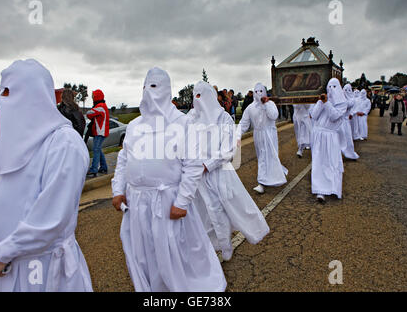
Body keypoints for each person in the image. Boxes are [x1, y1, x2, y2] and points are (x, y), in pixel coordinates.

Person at [0, 59, 93, 292]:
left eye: (13, 92)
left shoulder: (64, 144)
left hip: (43, 271)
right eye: (4, 92)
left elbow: (53, 215)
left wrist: (4, 253)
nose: (6, 99)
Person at [111, 68, 227, 292]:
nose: (148, 92)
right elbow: (123, 161)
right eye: (145, 86)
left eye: (154, 86)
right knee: (144, 253)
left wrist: (182, 201)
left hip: (168, 201)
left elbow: (192, 166)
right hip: (137, 203)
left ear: (166, 90)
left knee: (175, 254)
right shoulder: (135, 127)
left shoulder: (182, 124)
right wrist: (118, 190)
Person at [190, 81, 270, 261]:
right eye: (195, 95)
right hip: (196, 175)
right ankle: (208, 250)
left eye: (201, 95)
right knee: (201, 213)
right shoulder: (191, 118)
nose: (197, 100)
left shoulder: (223, 118)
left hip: (218, 172)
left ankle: (224, 244)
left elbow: (229, 149)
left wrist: (208, 164)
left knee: (220, 210)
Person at [237, 83, 288, 194]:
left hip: (270, 134)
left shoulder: (271, 104)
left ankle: (265, 180)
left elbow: (274, 115)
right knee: (262, 157)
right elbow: (243, 123)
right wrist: (237, 135)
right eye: (256, 91)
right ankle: (262, 182)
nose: (258, 94)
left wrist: (266, 104)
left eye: (261, 91)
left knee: (271, 156)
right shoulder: (250, 108)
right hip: (258, 135)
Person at [310, 79, 347, 203]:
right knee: (318, 163)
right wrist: (321, 102)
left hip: (330, 137)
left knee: (331, 162)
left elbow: (334, 116)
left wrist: (327, 103)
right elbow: (314, 115)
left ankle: (332, 188)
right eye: (329, 86)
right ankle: (320, 190)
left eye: (334, 87)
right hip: (318, 135)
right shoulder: (322, 101)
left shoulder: (342, 104)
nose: (331, 89)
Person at [86, 89, 109, 177]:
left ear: (96, 97)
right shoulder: (101, 105)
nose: (92, 98)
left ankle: (94, 169)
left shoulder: (100, 106)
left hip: (100, 132)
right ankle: (103, 167)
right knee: (98, 149)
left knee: (96, 150)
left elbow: (89, 113)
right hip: (100, 132)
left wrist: (90, 111)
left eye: (93, 96)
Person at [340, 85, 360, 160]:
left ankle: (350, 153)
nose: (346, 92)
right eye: (345, 90)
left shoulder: (352, 100)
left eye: (348, 90)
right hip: (339, 121)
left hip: (345, 121)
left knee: (347, 138)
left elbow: (347, 105)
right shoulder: (342, 99)